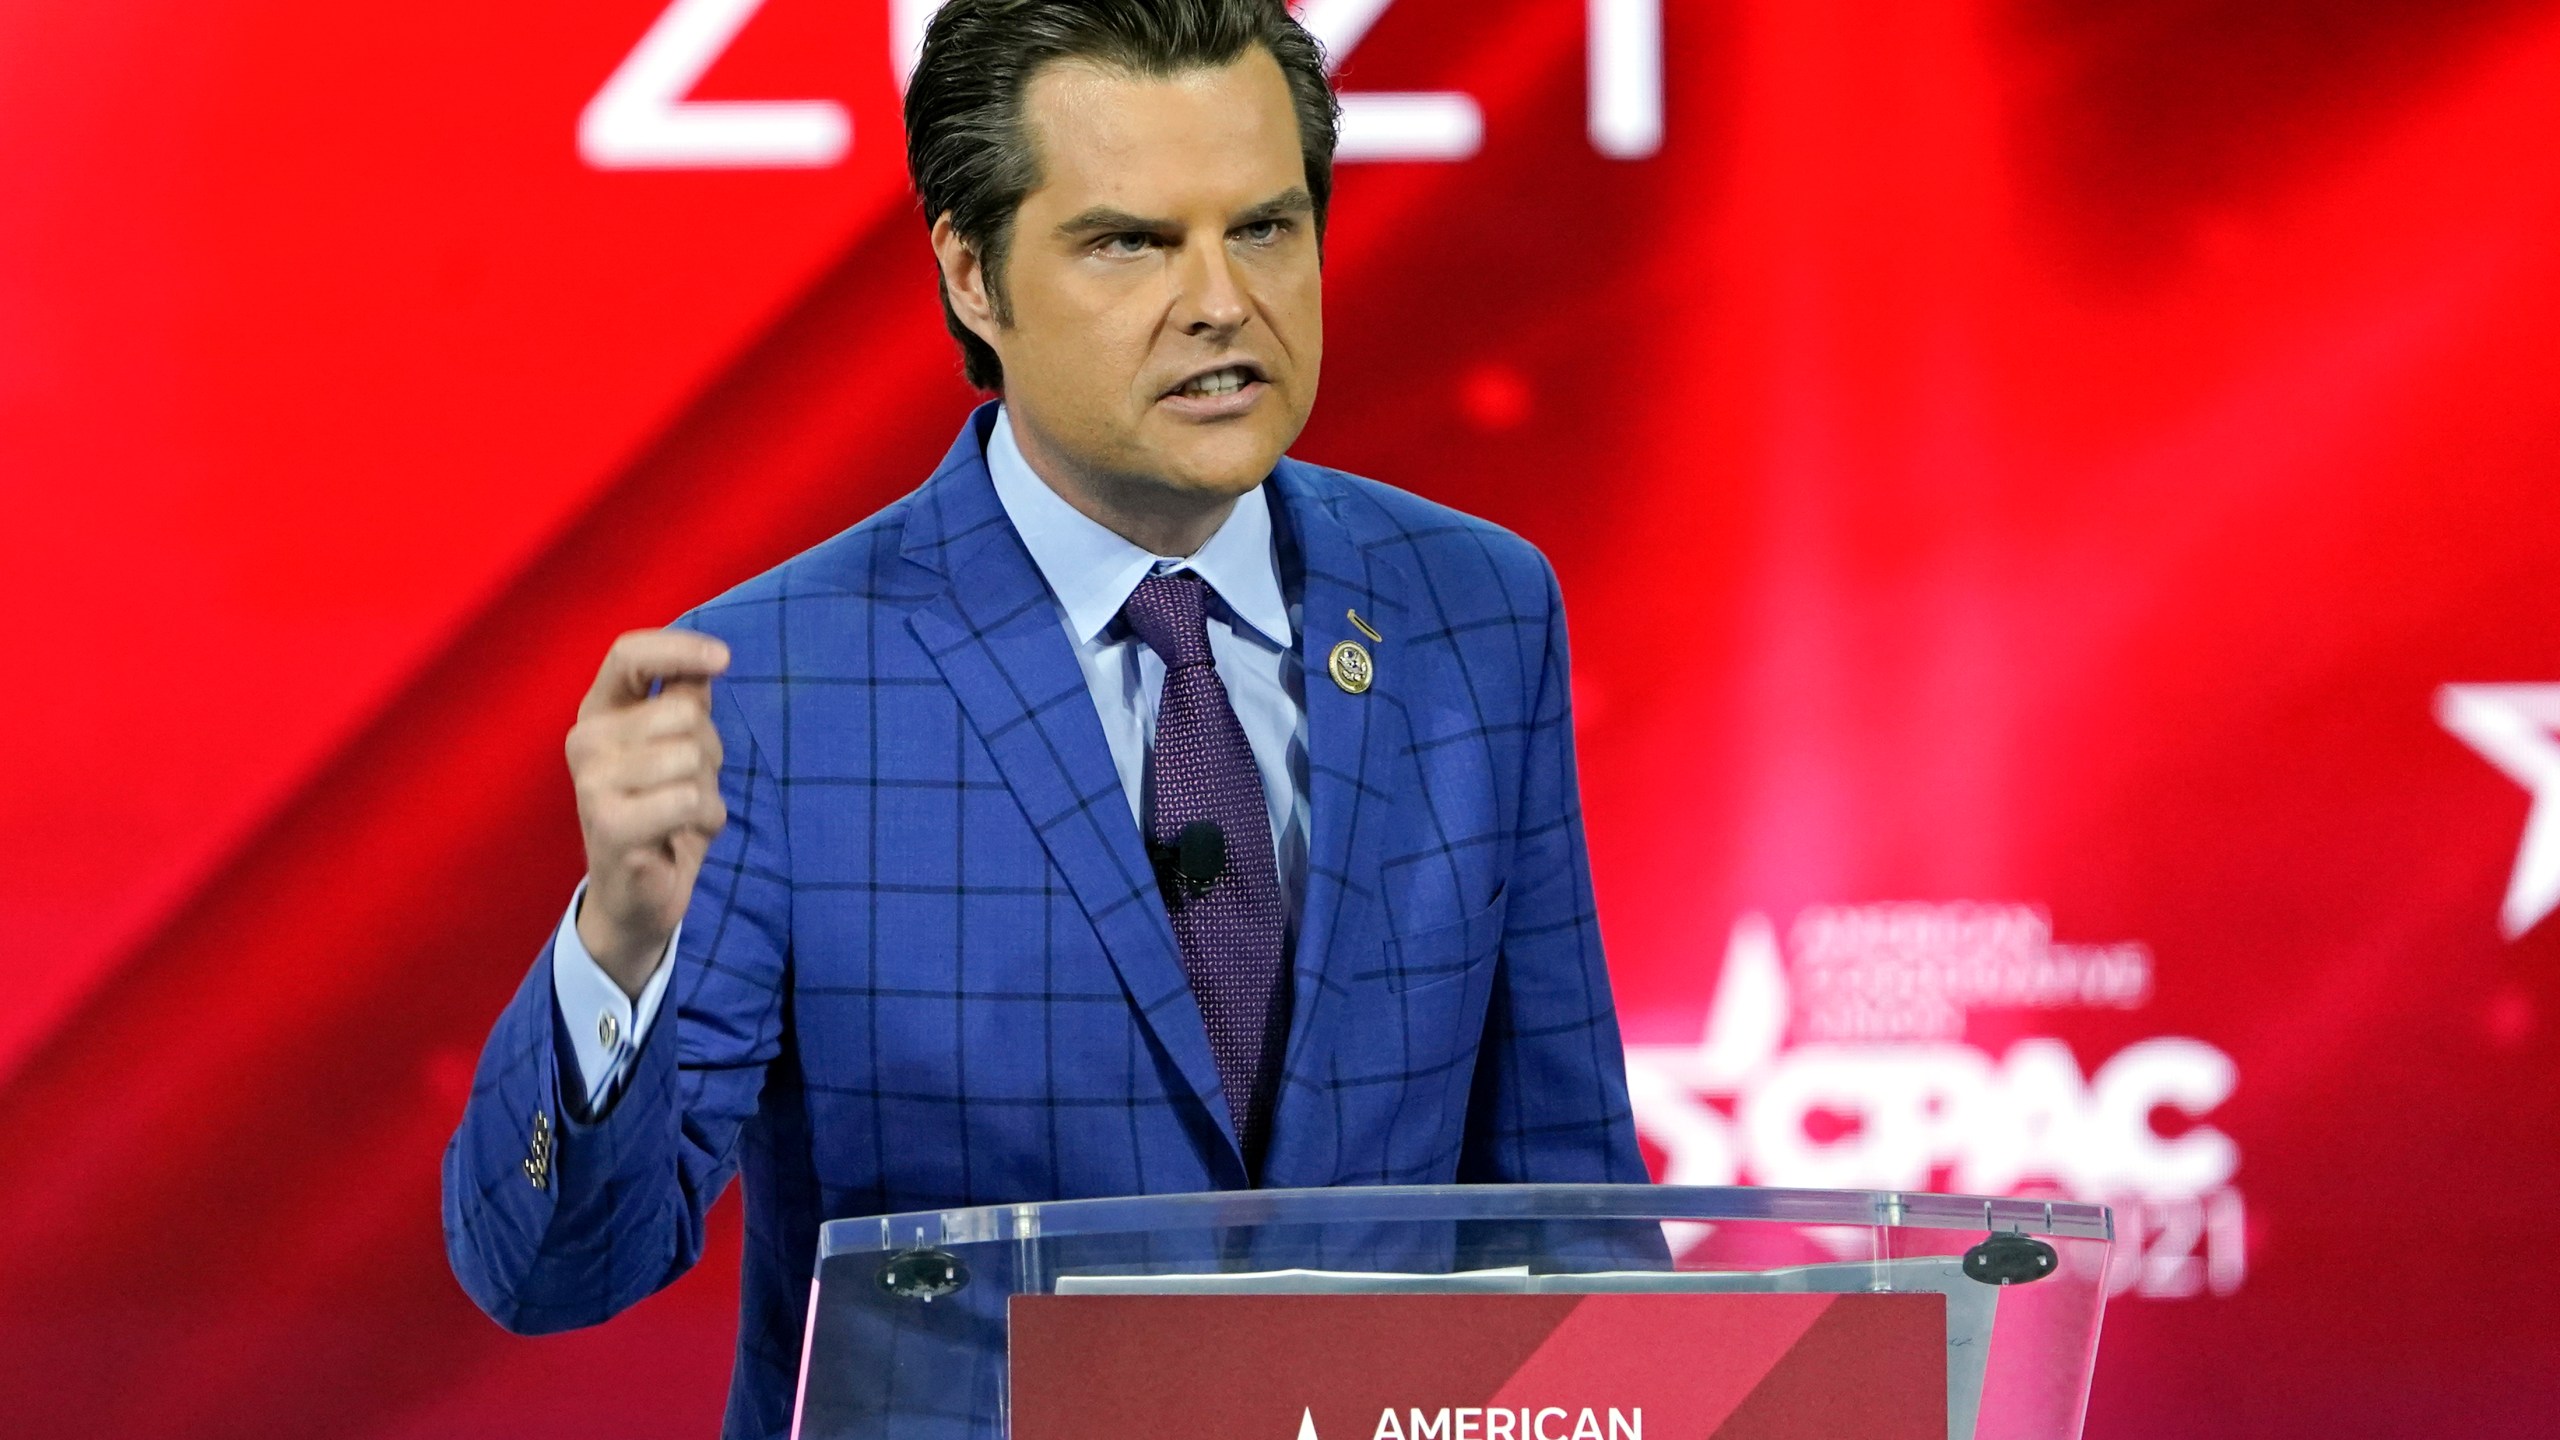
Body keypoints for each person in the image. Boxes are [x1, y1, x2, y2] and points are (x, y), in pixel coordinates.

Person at [441, 2, 1646, 1435]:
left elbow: (1570, 1215)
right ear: (972, 272)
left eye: (1262, 227)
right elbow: (557, 1268)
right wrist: (615, 953)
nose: (1219, 301)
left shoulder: (1476, 614)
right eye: (1130, 241)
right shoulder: (777, 685)